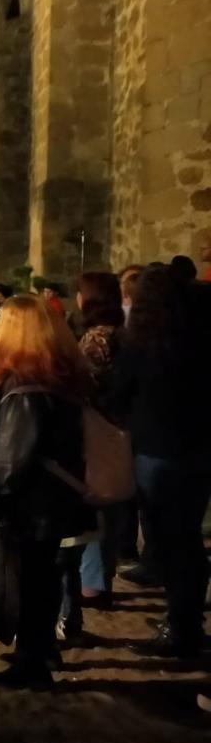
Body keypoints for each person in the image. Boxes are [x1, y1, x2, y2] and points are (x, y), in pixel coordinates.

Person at [0, 295, 94, 691]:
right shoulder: (55, 376)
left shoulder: (25, 387)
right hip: (47, 501)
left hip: (29, 505)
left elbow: (12, 460)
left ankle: (32, 663)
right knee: (42, 577)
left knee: (29, 581)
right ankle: (39, 648)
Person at [110, 266, 211, 658]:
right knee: (189, 540)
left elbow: (120, 395)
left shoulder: (142, 344)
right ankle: (185, 620)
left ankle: (182, 627)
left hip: (157, 451)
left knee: (169, 542)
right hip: (199, 451)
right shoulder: (200, 341)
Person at [70, 273, 126, 613]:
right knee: (112, 509)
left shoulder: (96, 340)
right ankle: (99, 579)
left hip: (98, 433)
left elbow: (82, 388)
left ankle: (93, 585)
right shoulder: (126, 335)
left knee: (95, 511)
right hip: (122, 431)